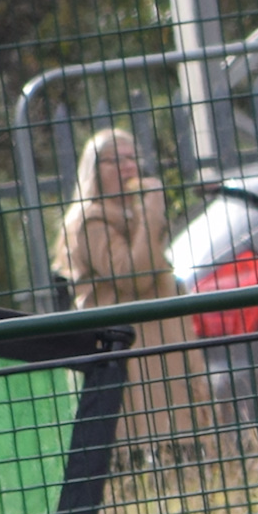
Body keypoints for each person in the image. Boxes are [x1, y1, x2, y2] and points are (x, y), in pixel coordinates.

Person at [53, 129, 207, 461]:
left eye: (131, 158)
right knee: (140, 444)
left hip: (162, 348)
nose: (128, 168)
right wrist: (152, 214)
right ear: (94, 171)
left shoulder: (133, 214)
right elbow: (132, 276)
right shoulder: (88, 221)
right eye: (114, 160)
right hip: (130, 352)